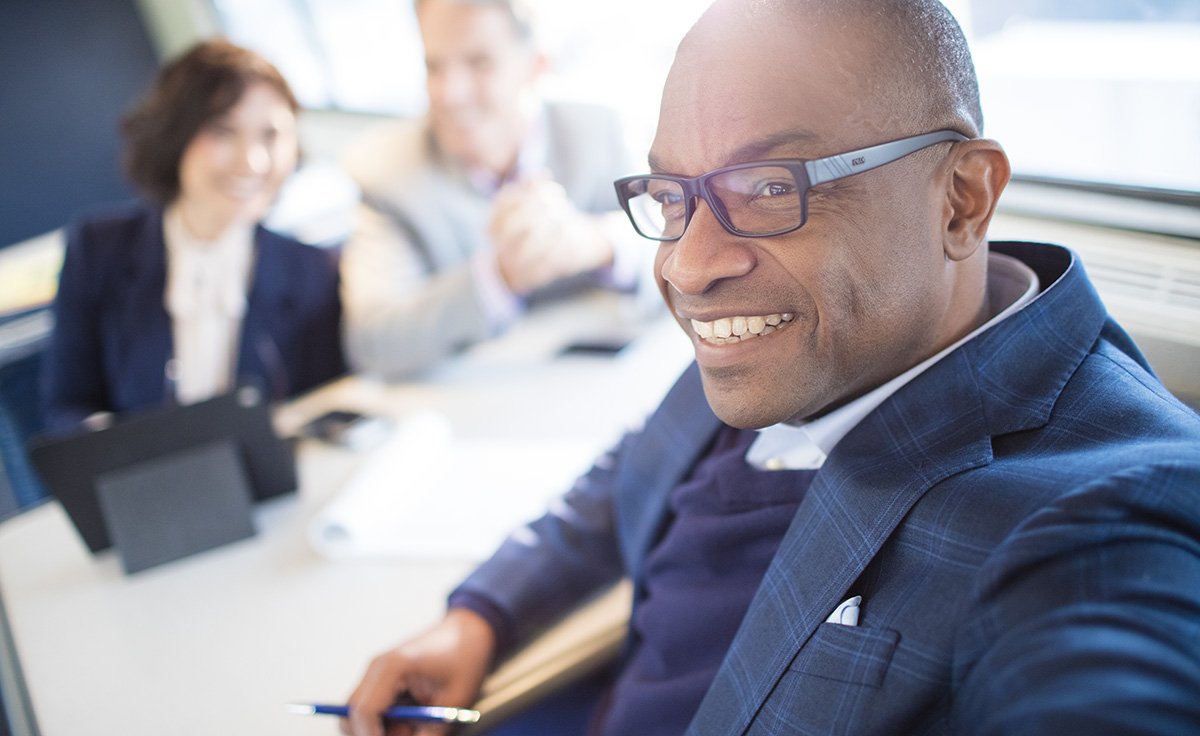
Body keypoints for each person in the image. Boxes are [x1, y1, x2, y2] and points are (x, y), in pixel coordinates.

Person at [341, 1, 1200, 734]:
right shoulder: (800, 340)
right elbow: (632, 472)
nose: (684, 266)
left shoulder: (1104, 520)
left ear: (961, 199)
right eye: (672, 198)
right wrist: (480, 614)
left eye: (769, 189)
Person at [42, 39, 345, 433]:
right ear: (176, 134)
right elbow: (67, 406)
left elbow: (326, 412)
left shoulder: (311, 270)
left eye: (270, 135)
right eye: (222, 130)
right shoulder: (98, 248)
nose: (251, 161)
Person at [338, 0, 643, 380]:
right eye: (434, 66)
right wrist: (498, 278)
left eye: (478, 62)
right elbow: (371, 341)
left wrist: (602, 243)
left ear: (535, 65)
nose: (450, 93)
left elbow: (676, 249)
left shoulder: (598, 131)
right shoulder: (388, 171)